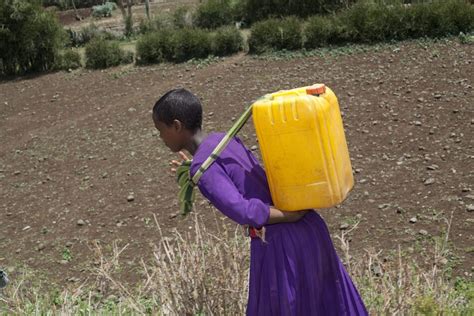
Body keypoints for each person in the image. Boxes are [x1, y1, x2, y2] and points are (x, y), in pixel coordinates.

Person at [152, 88, 368, 315]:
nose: (161, 138)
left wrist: (289, 215)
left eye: (161, 130)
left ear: (176, 126)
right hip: (311, 229)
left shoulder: (202, 168)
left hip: (281, 243)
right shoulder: (224, 140)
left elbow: (245, 211)